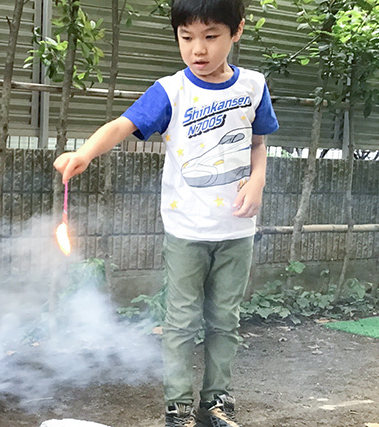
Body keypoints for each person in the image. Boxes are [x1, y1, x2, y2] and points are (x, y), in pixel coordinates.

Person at [54, 0, 278, 426]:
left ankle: (217, 401)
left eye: (211, 36)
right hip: (186, 230)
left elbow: (258, 142)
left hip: (237, 230)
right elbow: (122, 125)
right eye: (187, 37)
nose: (198, 49)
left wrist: (258, 180)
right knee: (180, 320)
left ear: (237, 31)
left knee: (225, 320)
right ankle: (178, 406)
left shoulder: (253, 86)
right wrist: (85, 152)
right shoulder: (171, 90)